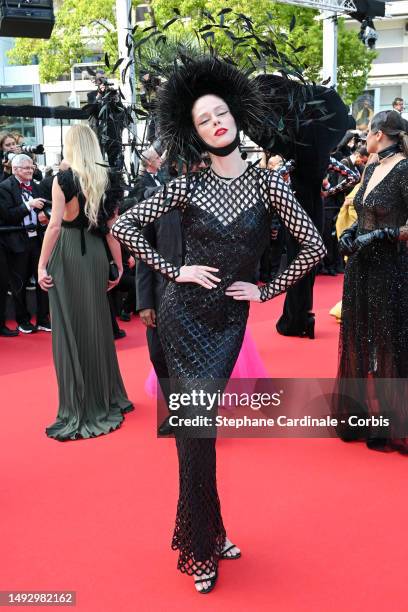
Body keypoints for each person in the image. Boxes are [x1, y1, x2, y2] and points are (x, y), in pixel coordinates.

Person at [112, 56, 326, 594]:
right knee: (196, 432)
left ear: (236, 117)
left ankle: (207, 529)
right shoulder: (185, 186)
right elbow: (127, 225)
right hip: (183, 318)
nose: (216, 123)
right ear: (196, 132)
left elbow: (314, 246)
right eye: (205, 119)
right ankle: (199, 542)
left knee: (200, 430)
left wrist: (266, 288)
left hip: (228, 322)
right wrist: (174, 268)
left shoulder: (269, 185)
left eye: (222, 113)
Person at [37, 124, 133, 441]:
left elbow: (53, 226)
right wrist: (117, 266)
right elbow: (112, 228)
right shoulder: (105, 178)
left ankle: (80, 404)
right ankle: (108, 396)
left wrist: (40, 265)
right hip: (94, 253)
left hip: (67, 253)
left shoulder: (62, 180)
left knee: (69, 329)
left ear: (71, 146)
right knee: (97, 326)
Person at [333, 110, 408, 453]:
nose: (365, 137)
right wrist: (351, 232)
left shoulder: (404, 169)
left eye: (368, 132)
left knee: (386, 342)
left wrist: (383, 234)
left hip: (390, 268)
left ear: (380, 133)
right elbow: (360, 210)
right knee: (359, 336)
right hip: (359, 266)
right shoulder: (372, 167)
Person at [0, 154, 50, 334]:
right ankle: (23, 320)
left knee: (42, 279)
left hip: (36, 239)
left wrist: (44, 218)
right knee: (19, 282)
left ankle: (44, 318)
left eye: (32, 167)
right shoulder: (4, 188)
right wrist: (28, 205)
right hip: (16, 241)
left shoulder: (36, 187)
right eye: (26, 168)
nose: (30, 171)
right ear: (15, 169)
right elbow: (7, 215)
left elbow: (44, 210)